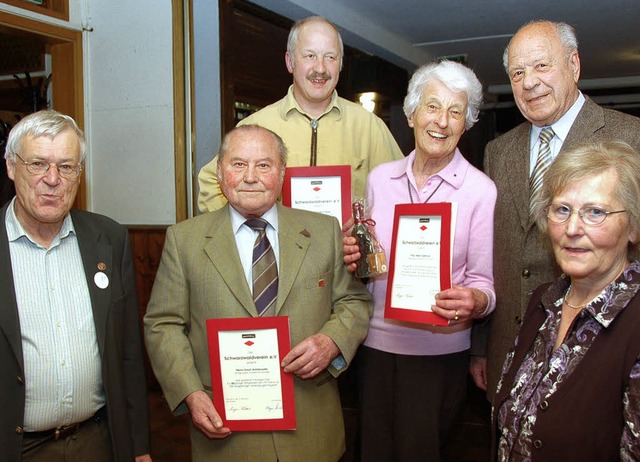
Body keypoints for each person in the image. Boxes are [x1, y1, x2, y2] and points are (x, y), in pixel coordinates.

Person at [144, 125, 372, 462]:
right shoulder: (185, 240)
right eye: (238, 164)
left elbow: (355, 301)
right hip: (225, 433)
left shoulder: (324, 231)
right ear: (221, 173)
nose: (250, 177)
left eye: (264, 165)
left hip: (310, 430)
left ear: (282, 173)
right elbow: (163, 324)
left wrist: (332, 341)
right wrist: (191, 393)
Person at [471, 20, 640, 400]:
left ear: (574, 66)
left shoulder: (632, 138)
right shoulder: (498, 151)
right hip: (507, 348)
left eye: (541, 66)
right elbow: (490, 249)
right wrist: (481, 344)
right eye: (517, 72)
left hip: (600, 351)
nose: (529, 82)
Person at [349, 61, 496, 461]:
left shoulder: (481, 191)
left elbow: (485, 284)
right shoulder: (380, 179)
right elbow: (369, 267)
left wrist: (475, 301)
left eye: (456, 111)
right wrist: (355, 258)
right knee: (373, 452)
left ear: (466, 123)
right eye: (433, 107)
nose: (442, 121)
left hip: (438, 353)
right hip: (375, 346)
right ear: (412, 113)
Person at [0, 110, 151, 462]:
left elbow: (127, 351)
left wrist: (139, 446)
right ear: (10, 167)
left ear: (79, 174)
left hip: (97, 441)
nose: (52, 179)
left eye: (66, 167)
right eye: (37, 164)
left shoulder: (109, 239)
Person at [494, 140, 640, 460]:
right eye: (562, 209)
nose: (572, 228)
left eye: (595, 212)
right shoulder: (542, 302)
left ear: (633, 226)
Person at [197, 16, 403, 213]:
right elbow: (210, 182)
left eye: (330, 57)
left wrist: (363, 229)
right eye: (310, 56)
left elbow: (403, 188)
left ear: (340, 64)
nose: (320, 68)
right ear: (290, 61)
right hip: (278, 249)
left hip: (346, 249)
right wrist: (252, 229)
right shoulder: (257, 127)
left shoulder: (368, 126)